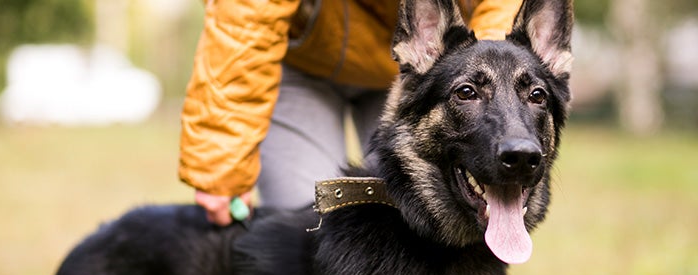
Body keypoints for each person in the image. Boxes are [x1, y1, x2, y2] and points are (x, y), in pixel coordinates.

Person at [179, 0, 524, 226]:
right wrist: (222, 155)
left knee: (421, 215)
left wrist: (481, 75)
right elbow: (246, 16)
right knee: (311, 228)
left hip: (425, 67)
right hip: (300, 59)